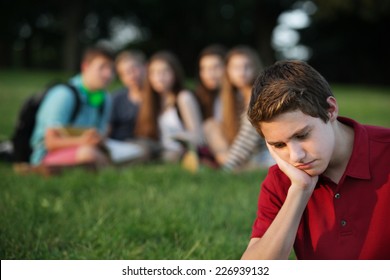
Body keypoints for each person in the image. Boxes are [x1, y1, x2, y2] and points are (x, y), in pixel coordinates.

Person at [241, 60, 390, 260]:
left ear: (330, 110)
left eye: (302, 135)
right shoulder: (281, 179)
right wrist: (299, 191)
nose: (296, 156)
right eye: (279, 145)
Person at [29, 44, 114, 168]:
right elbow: (50, 143)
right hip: (47, 155)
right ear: (85, 66)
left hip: (84, 150)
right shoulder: (64, 95)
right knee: (89, 153)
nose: (109, 74)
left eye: (112, 69)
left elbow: (100, 133)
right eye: (102, 67)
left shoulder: (105, 98)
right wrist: (83, 141)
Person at [203, 45, 273, 172]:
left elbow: (246, 140)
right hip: (244, 156)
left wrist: (227, 168)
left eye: (247, 66)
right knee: (210, 125)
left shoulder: (260, 96)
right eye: (236, 68)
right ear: (227, 71)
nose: (242, 72)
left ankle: (230, 167)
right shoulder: (233, 98)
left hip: (264, 155)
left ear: (256, 68)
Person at [134, 51, 204, 163]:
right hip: (158, 150)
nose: (159, 77)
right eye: (154, 73)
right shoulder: (151, 101)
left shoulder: (184, 97)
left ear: (175, 73)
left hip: (180, 152)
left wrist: (179, 138)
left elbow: (198, 137)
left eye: (164, 72)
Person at [109, 50, 146, 141]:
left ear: (145, 67)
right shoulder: (116, 98)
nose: (131, 75)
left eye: (134, 69)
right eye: (125, 73)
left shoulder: (157, 96)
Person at [195, 44, 226, 121]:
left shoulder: (239, 98)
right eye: (204, 68)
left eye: (216, 67)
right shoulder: (197, 99)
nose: (210, 73)